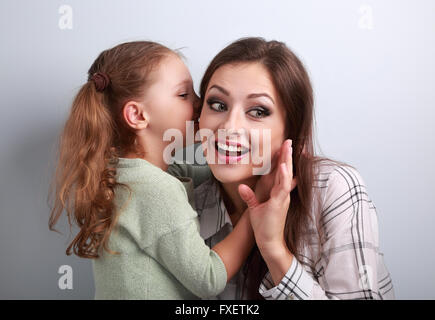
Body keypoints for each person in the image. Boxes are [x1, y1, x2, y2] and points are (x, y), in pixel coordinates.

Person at [48, 41, 288, 299]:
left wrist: (253, 157)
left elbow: (201, 173)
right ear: (138, 116)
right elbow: (208, 277)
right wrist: (257, 209)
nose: (200, 104)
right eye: (183, 95)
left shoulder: (128, 174)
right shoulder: (154, 189)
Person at [169, 37, 395, 300]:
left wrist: (274, 250)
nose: (229, 127)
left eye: (258, 111)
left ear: (291, 128)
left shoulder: (334, 188)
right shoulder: (186, 202)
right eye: (218, 105)